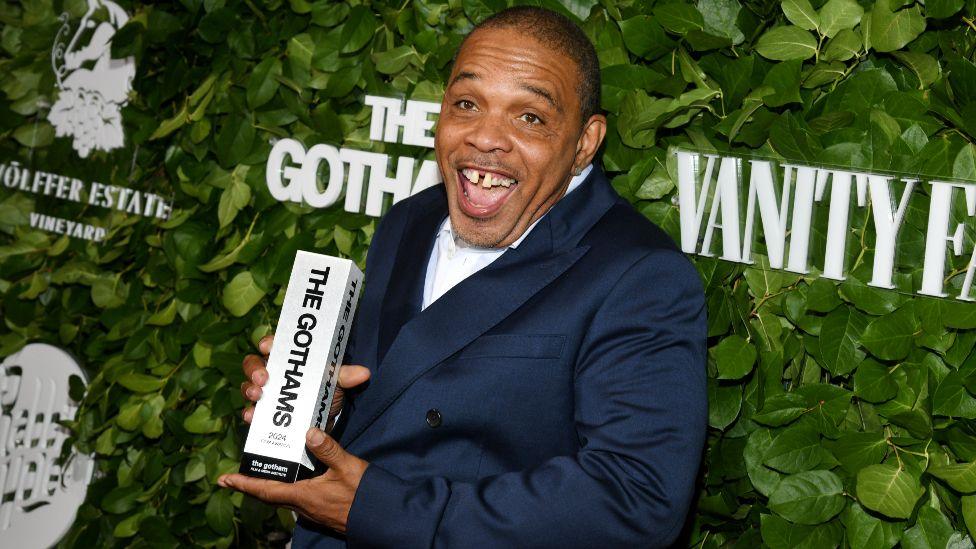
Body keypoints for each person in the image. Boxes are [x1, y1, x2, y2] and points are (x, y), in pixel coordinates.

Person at [218, 6, 707, 548]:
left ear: (585, 142)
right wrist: (321, 407)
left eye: (530, 118)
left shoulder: (639, 274)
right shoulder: (410, 219)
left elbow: (636, 497)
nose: (485, 138)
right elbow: (391, 400)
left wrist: (382, 508)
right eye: (467, 104)